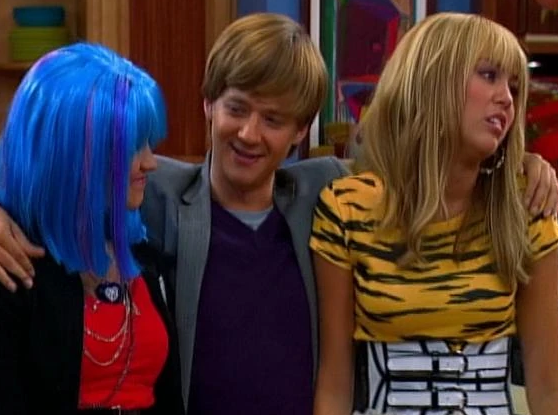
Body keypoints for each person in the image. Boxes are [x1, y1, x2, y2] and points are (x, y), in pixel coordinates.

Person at [0, 12, 556, 415]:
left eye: (273, 120)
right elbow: (65, 166)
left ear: (299, 133)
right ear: (208, 104)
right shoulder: (156, 191)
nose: (249, 134)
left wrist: (524, 165)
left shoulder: (328, 193)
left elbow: (419, 166)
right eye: (237, 109)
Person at [310, 12, 558, 415]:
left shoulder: (527, 209)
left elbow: (549, 390)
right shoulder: (347, 209)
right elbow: (335, 385)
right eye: (489, 75)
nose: (506, 99)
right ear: (432, 80)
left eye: (514, 88)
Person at [0, 43, 184, 415]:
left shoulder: (145, 253)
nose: (151, 162)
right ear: (73, 156)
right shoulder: (14, 267)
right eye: (132, 147)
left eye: (148, 143)